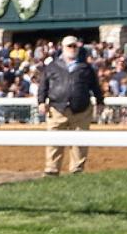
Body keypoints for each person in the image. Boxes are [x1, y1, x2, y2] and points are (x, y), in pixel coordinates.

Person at [37, 36, 103, 175]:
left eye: (75, 46)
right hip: (57, 109)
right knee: (54, 142)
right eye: (69, 46)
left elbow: (95, 86)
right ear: (63, 47)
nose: (72, 49)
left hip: (81, 110)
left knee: (79, 142)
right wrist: (41, 101)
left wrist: (100, 101)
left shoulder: (86, 67)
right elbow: (44, 85)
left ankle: (77, 170)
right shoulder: (52, 66)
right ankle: (52, 170)